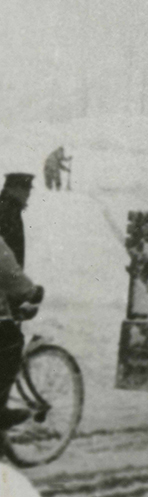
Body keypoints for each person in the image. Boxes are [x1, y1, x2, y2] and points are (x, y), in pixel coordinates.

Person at [0, 175, 42, 430]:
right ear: (16, 189)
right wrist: (28, 291)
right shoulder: (8, 212)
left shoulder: (8, 209)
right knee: (11, 343)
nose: (29, 194)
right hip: (8, 288)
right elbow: (5, 261)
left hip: (8, 291)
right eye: (27, 189)